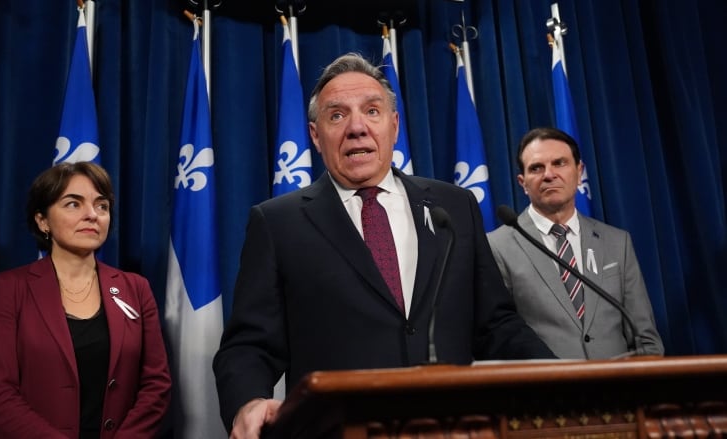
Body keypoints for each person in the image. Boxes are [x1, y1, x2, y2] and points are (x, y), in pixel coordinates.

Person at [213, 53, 555, 438]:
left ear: (394, 126)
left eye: (372, 111)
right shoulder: (277, 222)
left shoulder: (454, 206)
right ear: (314, 135)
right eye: (337, 115)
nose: (357, 128)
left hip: (452, 426)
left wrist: (562, 379)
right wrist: (249, 402)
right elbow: (249, 345)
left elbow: (495, 325)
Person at [0, 162, 171, 438]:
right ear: (43, 220)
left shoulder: (135, 288)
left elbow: (156, 385)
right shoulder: (7, 289)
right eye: (73, 204)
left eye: (102, 206)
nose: (92, 215)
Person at [487, 127, 664, 359]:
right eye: (536, 168)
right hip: (545, 390)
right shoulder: (497, 246)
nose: (549, 175)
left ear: (579, 171)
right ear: (523, 182)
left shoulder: (617, 242)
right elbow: (500, 336)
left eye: (559, 163)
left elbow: (646, 337)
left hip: (619, 388)